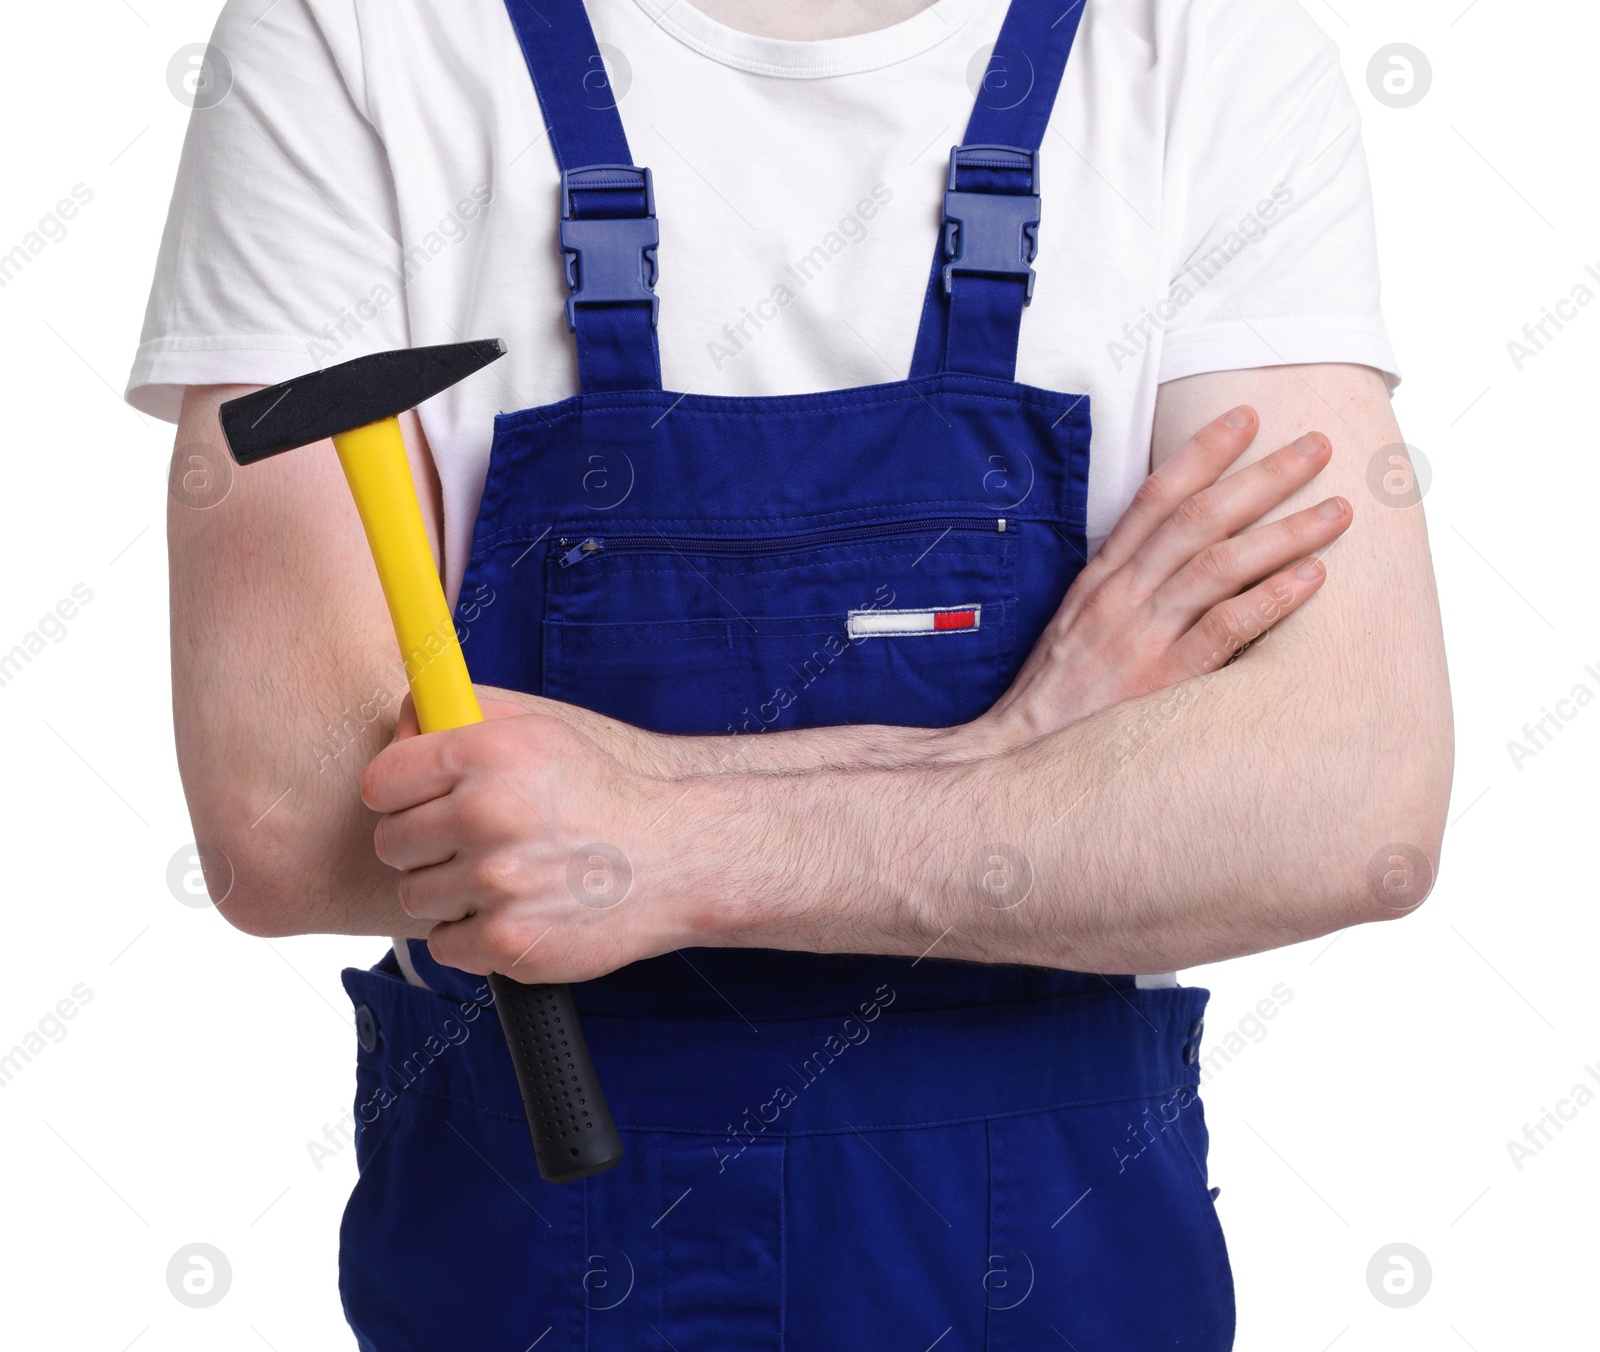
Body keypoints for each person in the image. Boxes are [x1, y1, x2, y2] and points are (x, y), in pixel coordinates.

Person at [132, 0, 1451, 1345]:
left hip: (1055, 1273)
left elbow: (1347, 810)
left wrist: (667, 839)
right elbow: (288, 826)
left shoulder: (1202, 51)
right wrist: (1021, 753)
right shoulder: (355, 36)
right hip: (544, 1269)